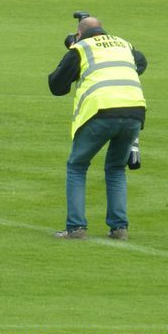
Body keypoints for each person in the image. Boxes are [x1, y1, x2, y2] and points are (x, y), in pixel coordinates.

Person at [48, 17, 147, 240]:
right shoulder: (123, 44)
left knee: (77, 166)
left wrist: (73, 53)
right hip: (134, 111)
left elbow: (56, 85)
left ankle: (76, 227)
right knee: (115, 169)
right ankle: (119, 227)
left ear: (79, 33)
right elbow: (141, 63)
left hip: (100, 111)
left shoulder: (81, 48)